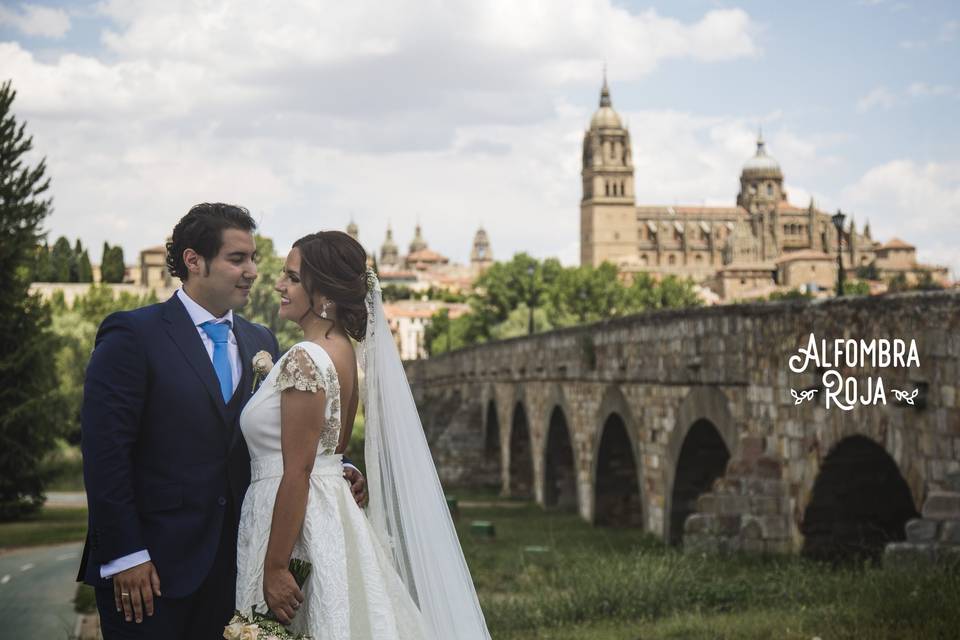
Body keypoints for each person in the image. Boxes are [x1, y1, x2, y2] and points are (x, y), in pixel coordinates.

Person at [77, 204, 367, 639]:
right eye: (237, 259)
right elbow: (105, 454)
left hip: (237, 564)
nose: (252, 271)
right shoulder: (133, 336)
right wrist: (125, 555)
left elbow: (279, 441)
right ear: (194, 261)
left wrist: (335, 469)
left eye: (253, 258)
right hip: (151, 570)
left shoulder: (261, 340)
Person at [235, 231, 490, 639]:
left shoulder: (306, 357)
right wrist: (346, 471)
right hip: (324, 516)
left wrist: (276, 566)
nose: (280, 285)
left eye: (293, 278)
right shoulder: (343, 352)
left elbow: (299, 469)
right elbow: (332, 453)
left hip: (291, 529)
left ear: (325, 294)